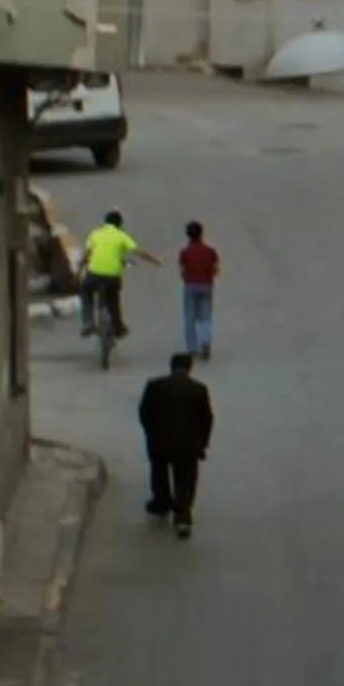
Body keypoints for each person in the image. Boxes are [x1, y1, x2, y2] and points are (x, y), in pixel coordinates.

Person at [137, 352, 214, 538]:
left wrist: (151, 433)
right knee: (186, 479)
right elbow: (206, 419)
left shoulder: (154, 386)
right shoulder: (198, 389)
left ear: (171, 366)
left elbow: (144, 412)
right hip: (188, 443)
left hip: (160, 439)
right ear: (190, 368)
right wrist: (202, 443)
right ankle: (183, 517)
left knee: (159, 472)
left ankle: (162, 502)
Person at [79, 210, 164, 341]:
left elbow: (87, 253)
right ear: (119, 224)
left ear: (105, 222)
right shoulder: (122, 236)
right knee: (113, 301)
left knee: (86, 292)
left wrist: (80, 267)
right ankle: (118, 327)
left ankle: (88, 321)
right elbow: (138, 252)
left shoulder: (95, 234)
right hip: (112, 276)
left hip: (94, 273)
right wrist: (155, 261)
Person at [177, 221, 221, 360]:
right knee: (205, 317)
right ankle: (205, 342)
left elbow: (182, 270)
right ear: (201, 233)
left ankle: (192, 348)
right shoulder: (210, 251)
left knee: (189, 317)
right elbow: (215, 269)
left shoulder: (185, 253)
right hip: (206, 285)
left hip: (190, 285)